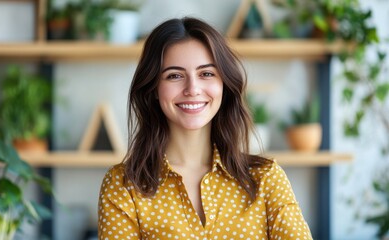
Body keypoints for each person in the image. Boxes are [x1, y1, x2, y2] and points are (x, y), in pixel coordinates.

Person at [98, 17, 312, 239]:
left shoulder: (266, 178)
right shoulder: (123, 186)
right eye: (174, 76)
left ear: (224, 85)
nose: (192, 88)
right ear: (153, 89)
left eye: (206, 74)